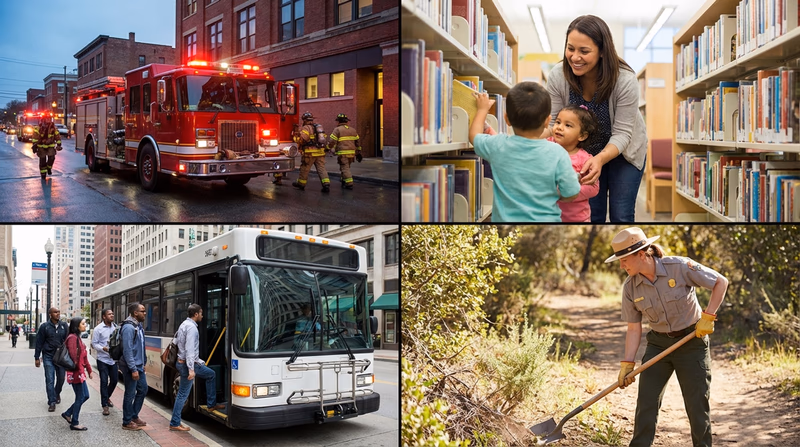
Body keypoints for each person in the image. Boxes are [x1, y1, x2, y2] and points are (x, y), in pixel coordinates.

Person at [605, 227, 729, 447]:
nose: (622, 266)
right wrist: (627, 363)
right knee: (646, 403)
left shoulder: (679, 267)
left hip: (692, 342)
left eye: (624, 260)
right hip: (658, 345)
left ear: (641, 254)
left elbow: (721, 282)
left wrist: (708, 316)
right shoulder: (630, 288)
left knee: (697, 406)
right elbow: (634, 328)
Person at [543, 15, 648, 222]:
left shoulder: (625, 80)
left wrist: (599, 158)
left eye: (584, 51)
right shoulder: (558, 76)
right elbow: (553, 122)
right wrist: (525, 137)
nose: (574, 57)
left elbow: (623, 133)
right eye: (570, 48)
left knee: (621, 214)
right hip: (582, 154)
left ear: (602, 52)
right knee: (592, 214)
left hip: (624, 151)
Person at [468, 82, 581, 221]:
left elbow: (474, 137)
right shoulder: (558, 153)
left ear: (506, 119)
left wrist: (482, 109)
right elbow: (571, 193)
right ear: (548, 121)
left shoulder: (497, 145)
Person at [169, 304, 226, 431]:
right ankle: (174, 423)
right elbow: (189, 351)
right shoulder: (192, 329)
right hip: (187, 365)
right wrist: (191, 369)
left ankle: (211, 404)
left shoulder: (184, 324)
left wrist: (198, 361)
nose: (202, 315)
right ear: (196, 314)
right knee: (183, 394)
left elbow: (176, 343)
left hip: (183, 362)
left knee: (210, 374)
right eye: (201, 313)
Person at [550, 104, 600, 222]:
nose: (559, 127)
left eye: (568, 125)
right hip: (549, 217)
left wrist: (570, 193)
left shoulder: (585, 160)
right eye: (558, 122)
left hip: (577, 219)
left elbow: (594, 187)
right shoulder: (547, 147)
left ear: (582, 136)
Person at [61, 317, 93, 431]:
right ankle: (74, 423)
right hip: (76, 373)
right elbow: (75, 359)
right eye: (83, 324)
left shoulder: (77, 338)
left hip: (79, 373)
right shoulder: (72, 338)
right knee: (81, 396)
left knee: (85, 395)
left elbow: (83, 357)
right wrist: (81, 373)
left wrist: (89, 370)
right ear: (76, 326)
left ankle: (68, 413)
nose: (85, 326)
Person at [34, 307, 68, 412]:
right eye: (55, 312)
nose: (58, 313)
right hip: (48, 356)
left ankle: (56, 393)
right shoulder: (44, 327)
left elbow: (68, 340)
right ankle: (52, 402)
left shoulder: (64, 326)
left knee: (61, 378)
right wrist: (36, 357)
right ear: (50, 314)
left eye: (58, 311)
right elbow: (39, 342)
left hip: (60, 357)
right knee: (50, 380)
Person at [120, 302, 147, 431]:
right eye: (143, 311)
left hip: (139, 365)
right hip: (131, 366)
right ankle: (126, 421)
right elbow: (127, 350)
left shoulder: (139, 326)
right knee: (130, 393)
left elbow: (141, 346)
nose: (145, 313)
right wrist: (133, 369)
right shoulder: (129, 328)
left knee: (143, 390)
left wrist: (143, 362)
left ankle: (134, 415)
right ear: (135, 313)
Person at [292, 112, 331, 192]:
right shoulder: (318, 128)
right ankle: (326, 184)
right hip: (320, 152)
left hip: (310, 153)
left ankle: (301, 184)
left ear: (304, 120)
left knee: (305, 168)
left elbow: (302, 140)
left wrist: (295, 137)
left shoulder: (306, 128)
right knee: (321, 169)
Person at [91, 308, 118, 416]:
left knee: (114, 380)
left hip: (113, 359)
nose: (112, 315)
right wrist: (103, 348)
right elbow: (94, 344)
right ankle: (104, 405)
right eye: (109, 314)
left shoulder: (116, 327)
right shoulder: (98, 329)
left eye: (112, 313)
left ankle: (106, 398)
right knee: (103, 381)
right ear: (104, 317)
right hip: (102, 359)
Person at [327, 113, 362, 189]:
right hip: (352, 153)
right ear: (346, 121)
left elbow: (332, 141)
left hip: (343, 153)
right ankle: (343, 180)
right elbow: (358, 141)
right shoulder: (353, 130)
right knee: (346, 167)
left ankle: (349, 183)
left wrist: (328, 147)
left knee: (344, 167)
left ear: (338, 122)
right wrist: (358, 151)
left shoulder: (337, 130)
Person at [31, 113, 62, 180]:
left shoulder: (53, 128)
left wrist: (59, 144)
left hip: (50, 146)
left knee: (52, 158)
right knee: (42, 160)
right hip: (41, 146)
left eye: (49, 119)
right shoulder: (38, 128)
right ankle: (43, 174)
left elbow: (57, 136)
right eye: (46, 119)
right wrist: (34, 145)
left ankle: (49, 168)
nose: (47, 120)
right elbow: (35, 137)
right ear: (43, 119)